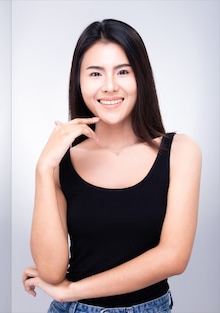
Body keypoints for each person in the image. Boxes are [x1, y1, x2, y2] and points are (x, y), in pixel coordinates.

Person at [22, 19, 201, 313]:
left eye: (123, 71)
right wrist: (43, 168)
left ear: (140, 77)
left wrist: (74, 290)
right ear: (79, 81)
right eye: (95, 73)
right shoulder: (61, 161)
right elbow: (51, 272)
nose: (109, 86)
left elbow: (174, 257)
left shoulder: (180, 152)